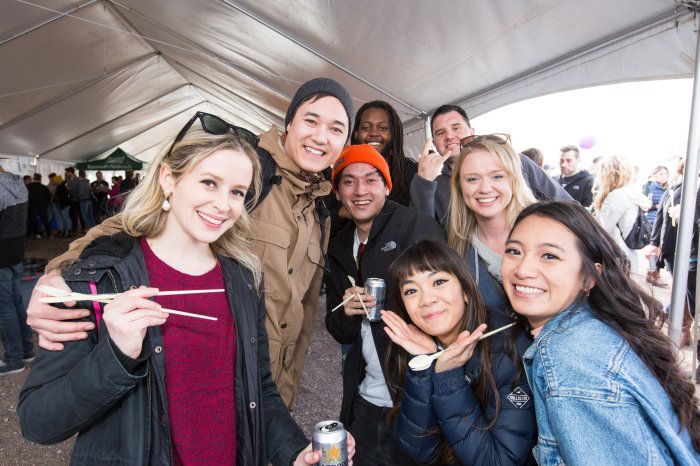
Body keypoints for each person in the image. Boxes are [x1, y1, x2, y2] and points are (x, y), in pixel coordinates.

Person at [17, 117, 355, 466]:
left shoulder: (244, 277)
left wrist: (294, 452)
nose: (224, 205)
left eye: (237, 192)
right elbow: (37, 422)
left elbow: (260, 391)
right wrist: (116, 355)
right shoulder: (98, 280)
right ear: (168, 178)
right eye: (209, 183)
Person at [501, 201, 700, 465]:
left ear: (589, 278)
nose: (522, 270)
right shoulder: (591, 326)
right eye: (514, 251)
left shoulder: (569, 357)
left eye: (549, 256)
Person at [325, 144, 443, 466]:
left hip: (414, 401)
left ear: (387, 186)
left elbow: (445, 304)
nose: (360, 191)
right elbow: (337, 329)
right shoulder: (338, 247)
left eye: (371, 180)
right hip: (364, 399)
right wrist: (346, 314)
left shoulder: (413, 225)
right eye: (348, 182)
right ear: (337, 191)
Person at [381, 240, 536, 465]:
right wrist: (424, 364)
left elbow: (498, 461)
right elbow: (418, 450)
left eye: (439, 281)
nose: (426, 300)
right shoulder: (417, 349)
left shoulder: (509, 350)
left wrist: (449, 378)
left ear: (466, 289)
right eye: (412, 290)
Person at [410, 104, 570, 227]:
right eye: (440, 133)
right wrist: (424, 184)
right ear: (434, 143)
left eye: (456, 128)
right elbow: (424, 238)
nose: (449, 136)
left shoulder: (513, 161)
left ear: (471, 131)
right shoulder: (432, 184)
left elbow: (567, 206)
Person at [447, 134, 536, 310]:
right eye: (472, 179)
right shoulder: (457, 249)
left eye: (497, 177)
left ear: (514, 179)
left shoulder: (548, 231)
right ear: (459, 185)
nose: (485, 189)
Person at [0, 162, 35, 375]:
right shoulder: (17, 183)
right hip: (16, 250)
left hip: (1, 254)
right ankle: (26, 349)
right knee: (16, 301)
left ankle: (14, 358)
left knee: (5, 307)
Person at [351, 100, 417, 206]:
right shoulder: (343, 173)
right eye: (366, 128)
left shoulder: (412, 173)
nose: (373, 133)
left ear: (393, 134)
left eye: (383, 128)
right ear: (356, 134)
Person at [592, 155, 651, 272]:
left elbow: (602, 228)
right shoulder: (631, 193)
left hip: (615, 257)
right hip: (626, 255)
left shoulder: (616, 195)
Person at [25, 173, 52, 238]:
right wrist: (46, 203)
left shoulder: (28, 187)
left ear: (33, 178)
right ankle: (49, 234)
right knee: (45, 221)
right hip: (42, 206)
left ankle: (31, 234)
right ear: (40, 179)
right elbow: (49, 196)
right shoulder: (44, 187)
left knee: (32, 221)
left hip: (31, 206)